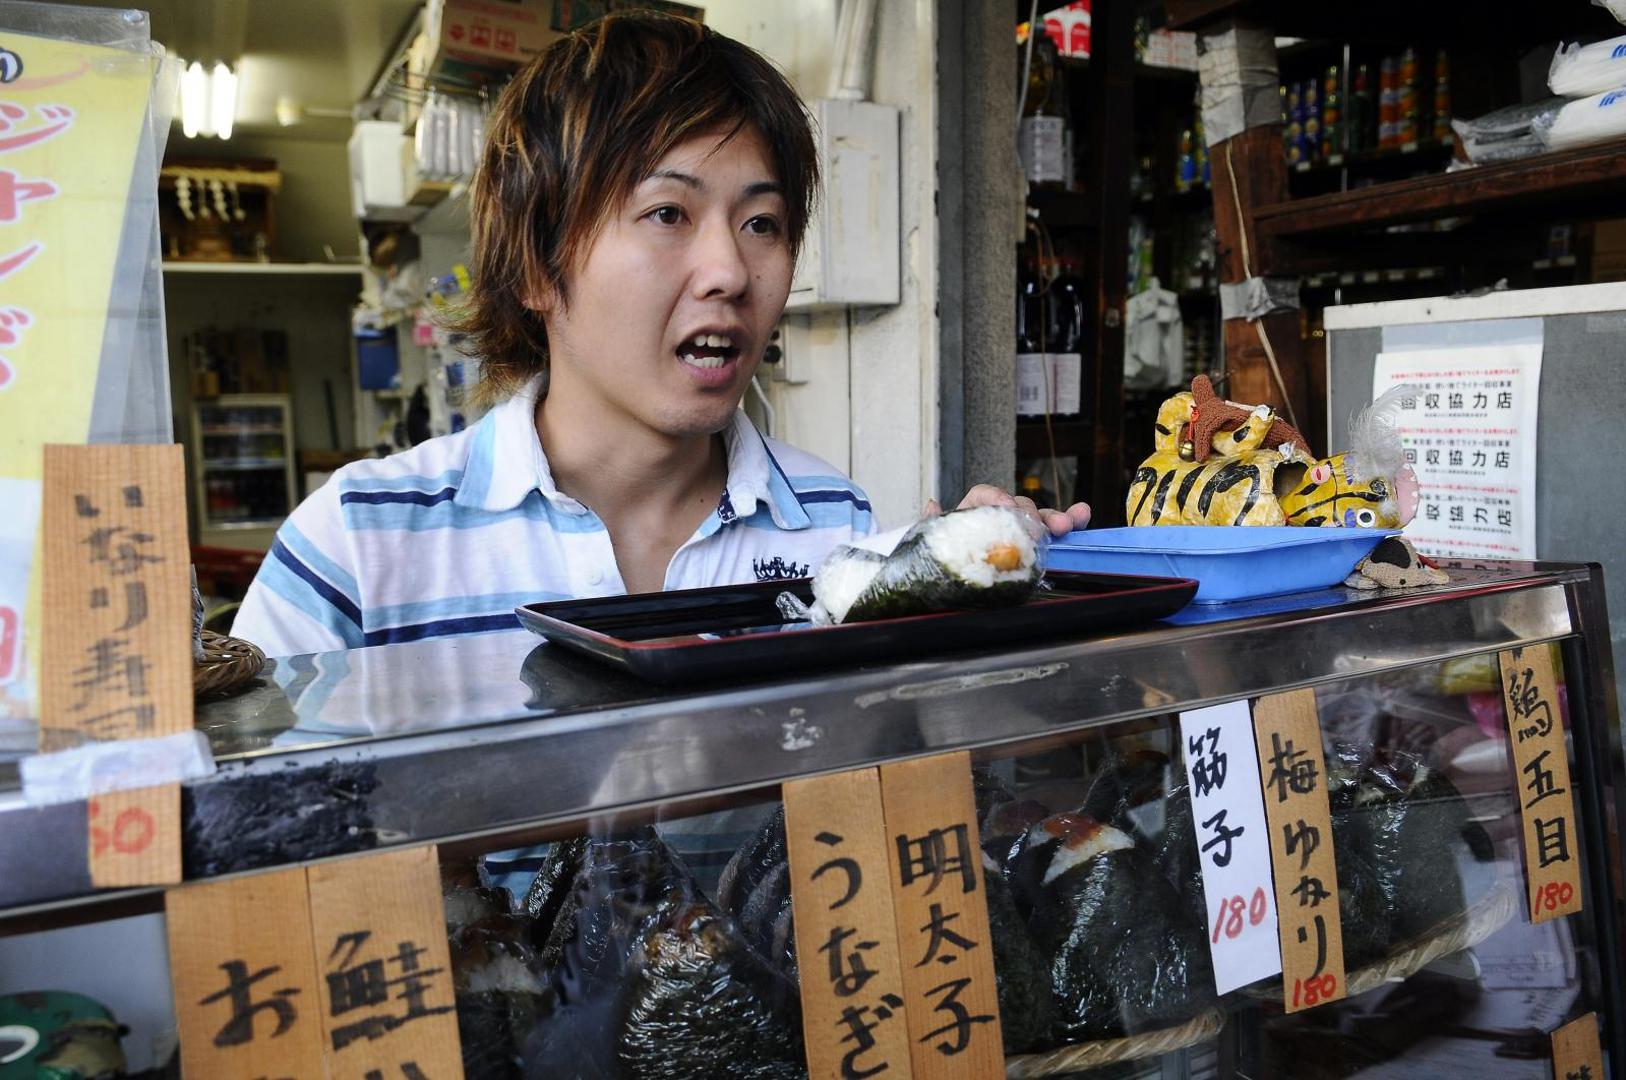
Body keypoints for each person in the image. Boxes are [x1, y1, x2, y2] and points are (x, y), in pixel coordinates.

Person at [233, 11, 1089, 659]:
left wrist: (959, 603)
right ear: (536, 267)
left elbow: (863, 781)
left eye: (762, 223)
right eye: (668, 213)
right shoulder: (355, 546)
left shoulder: (834, 523)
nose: (729, 271)